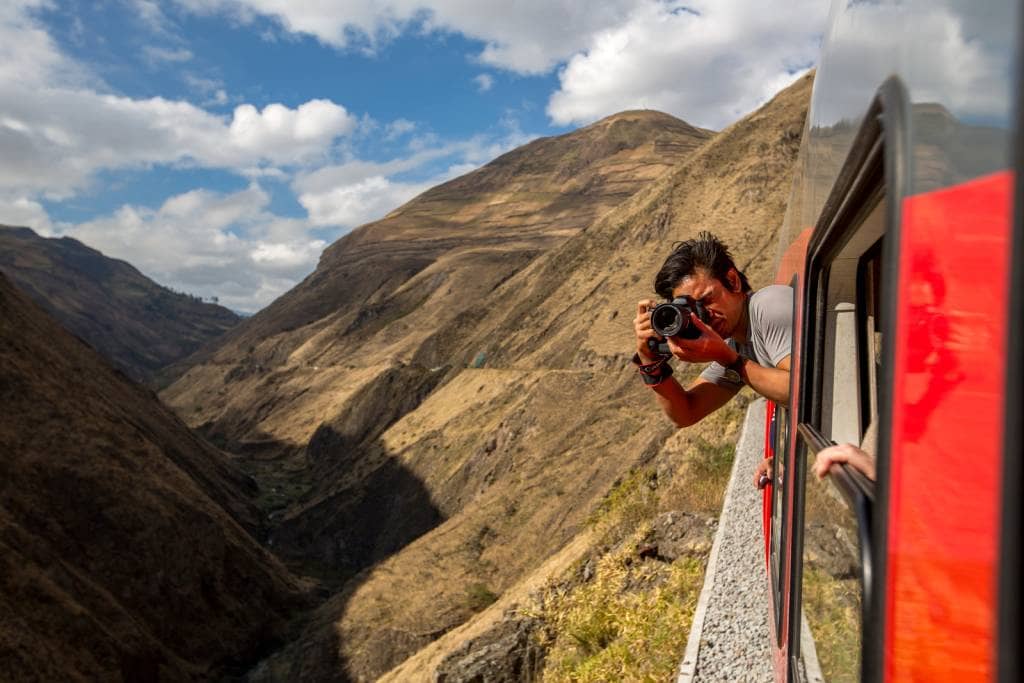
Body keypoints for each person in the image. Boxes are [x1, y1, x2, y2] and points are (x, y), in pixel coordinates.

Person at [632, 231, 793, 431]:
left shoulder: (768, 305)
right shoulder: (737, 344)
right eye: (691, 309)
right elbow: (686, 413)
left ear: (733, 281)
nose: (704, 315)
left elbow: (800, 389)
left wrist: (729, 359)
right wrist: (650, 363)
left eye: (707, 300)